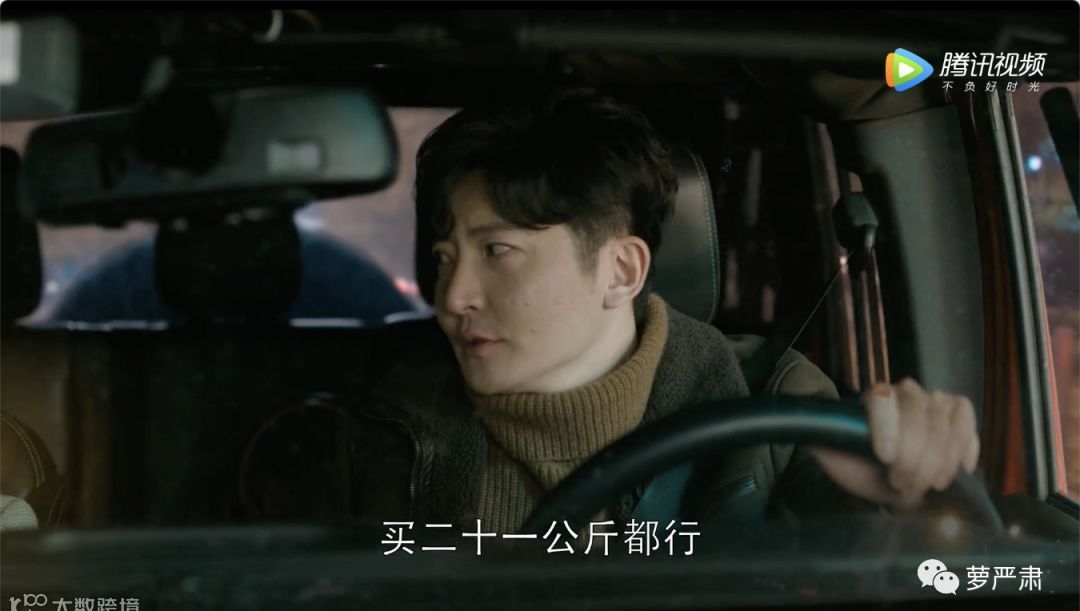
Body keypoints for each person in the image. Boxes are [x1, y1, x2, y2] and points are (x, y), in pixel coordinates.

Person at [241, 88, 981, 535]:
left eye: (497, 251)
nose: (453, 296)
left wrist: (900, 502)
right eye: (444, 257)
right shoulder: (373, 434)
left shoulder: (776, 409)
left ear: (621, 270)